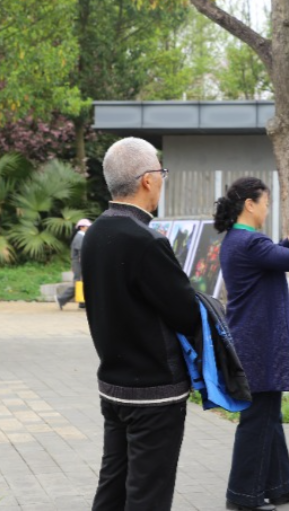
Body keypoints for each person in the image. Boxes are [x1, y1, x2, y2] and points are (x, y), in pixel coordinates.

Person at [81, 137, 200, 511]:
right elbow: (186, 313)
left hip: (113, 385)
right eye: (162, 172)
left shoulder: (94, 233)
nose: (162, 180)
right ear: (148, 179)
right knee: (148, 495)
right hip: (154, 390)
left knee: (113, 487)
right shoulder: (146, 240)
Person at [214, 177, 289, 511]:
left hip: (253, 340)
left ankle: (280, 486)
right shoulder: (250, 241)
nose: (266, 210)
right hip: (257, 343)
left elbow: (274, 258)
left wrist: (287, 243)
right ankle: (242, 495)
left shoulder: (238, 240)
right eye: (265, 203)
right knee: (258, 420)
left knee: (268, 417)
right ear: (250, 204)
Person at [55, 218, 91, 310]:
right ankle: (61, 299)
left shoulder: (81, 236)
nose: (89, 228)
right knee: (78, 283)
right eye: (87, 227)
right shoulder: (80, 237)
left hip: (78, 263)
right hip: (79, 263)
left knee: (82, 283)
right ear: (82, 227)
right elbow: (81, 253)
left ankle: (82, 303)